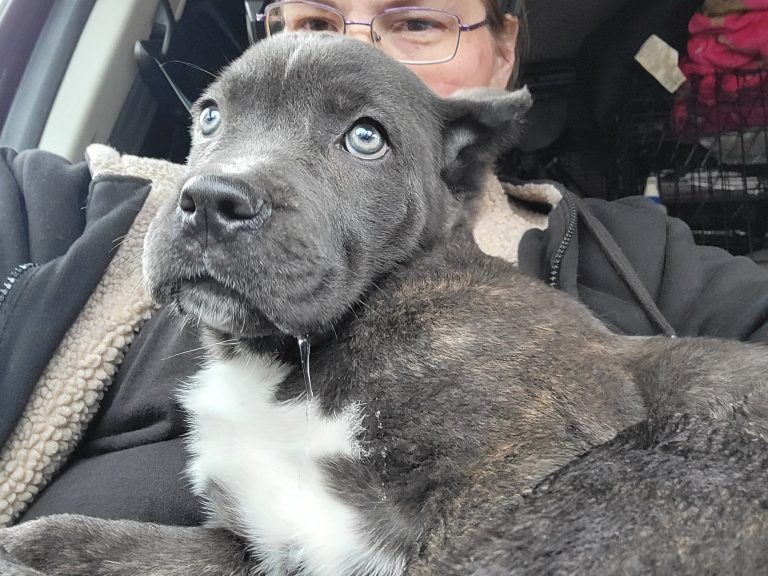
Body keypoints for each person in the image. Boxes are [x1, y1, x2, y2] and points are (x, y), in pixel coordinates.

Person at [2, 0, 768, 530]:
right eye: (313, 22)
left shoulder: (634, 256)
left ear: (503, 51)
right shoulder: (98, 211)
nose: (355, 51)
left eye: (418, 22)